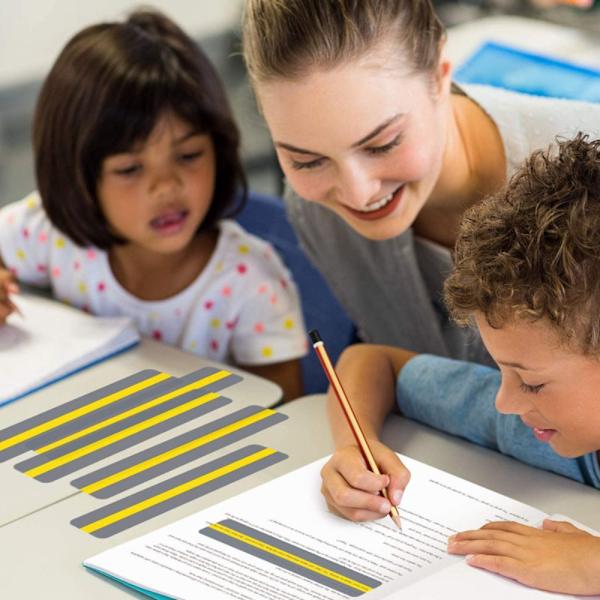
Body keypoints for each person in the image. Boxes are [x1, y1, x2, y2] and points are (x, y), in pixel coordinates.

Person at [242, 0, 600, 366]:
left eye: (382, 144)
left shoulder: (590, 181)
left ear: (439, 76)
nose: (358, 193)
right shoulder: (314, 211)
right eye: (307, 161)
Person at [319, 134, 600, 595]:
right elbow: (374, 362)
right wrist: (356, 446)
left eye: (530, 383)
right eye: (503, 371)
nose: (504, 402)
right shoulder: (531, 426)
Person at [0, 10, 306, 401]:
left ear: (221, 148)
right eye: (130, 168)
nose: (166, 186)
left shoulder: (250, 284)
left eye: (189, 155)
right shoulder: (52, 234)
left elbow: (285, 415)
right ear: (76, 176)